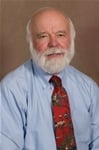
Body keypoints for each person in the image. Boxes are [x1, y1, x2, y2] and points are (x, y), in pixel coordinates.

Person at [0, 7, 99, 150]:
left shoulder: (89, 88)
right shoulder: (11, 90)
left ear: (71, 38)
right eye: (43, 36)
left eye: (60, 34)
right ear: (30, 42)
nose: (53, 43)